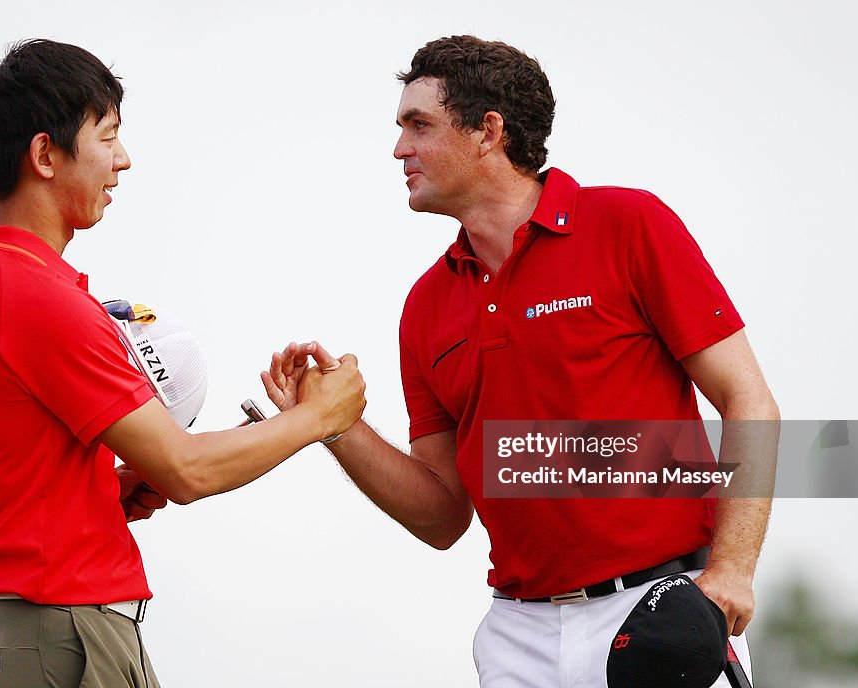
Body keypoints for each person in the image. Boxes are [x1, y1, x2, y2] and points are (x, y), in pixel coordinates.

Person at [263, 35, 779, 688]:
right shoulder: (426, 305)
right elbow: (443, 513)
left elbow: (748, 399)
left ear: (488, 131)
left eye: (418, 125)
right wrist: (333, 425)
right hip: (517, 637)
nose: (399, 149)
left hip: (658, 615)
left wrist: (731, 571)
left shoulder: (629, 224)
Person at [0, 39, 365, 687]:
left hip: (9, 643)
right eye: (108, 136)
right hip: (62, 639)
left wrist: (94, 491)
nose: (123, 161)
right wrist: (320, 416)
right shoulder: (43, 300)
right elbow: (186, 470)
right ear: (45, 154)